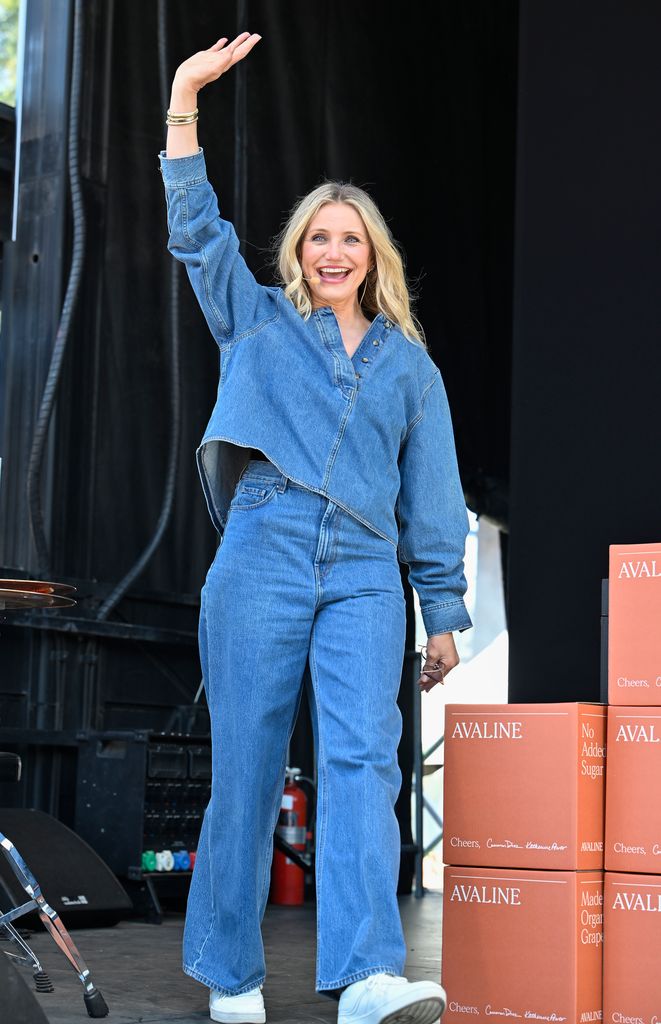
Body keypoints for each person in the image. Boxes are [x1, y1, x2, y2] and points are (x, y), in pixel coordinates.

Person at [158, 31, 473, 1024]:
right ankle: (232, 977)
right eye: (317, 237)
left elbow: (431, 501)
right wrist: (182, 100)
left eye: (350, 238)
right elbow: (198, 230)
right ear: (298, 252)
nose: (332, 251)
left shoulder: (411, 370)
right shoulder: (255, 322)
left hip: (369, 571)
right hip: (264, 544)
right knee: (246, 763)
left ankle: (369, 974)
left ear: (372, 255)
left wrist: (448, 612)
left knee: (362, 763)